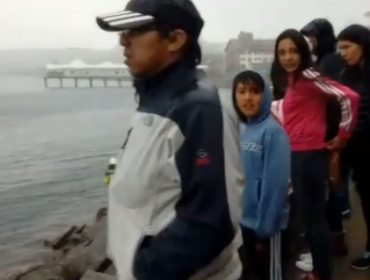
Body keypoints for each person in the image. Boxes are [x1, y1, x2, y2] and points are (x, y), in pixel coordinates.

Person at [96, 0, 245, 279]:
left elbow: (215, 219)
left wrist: (144, 269)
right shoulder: (159, 101)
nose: (123, 42)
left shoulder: (197, 109)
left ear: (175, 39)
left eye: (134, 31)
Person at [270, 29, 359, 280]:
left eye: (293, 51)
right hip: (298, 155)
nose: (287, 57)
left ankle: (322, 274)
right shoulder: (291, 79)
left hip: (310, 157)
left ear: (303, 52)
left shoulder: (309, 76)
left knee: (315, 220)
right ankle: (321, 271)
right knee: (310, 220)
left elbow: (349, 97)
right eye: (282, 52)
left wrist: (343, 136)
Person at [233, 70, 290, 280]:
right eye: (242, 91)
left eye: (255, 91)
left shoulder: (273, 133)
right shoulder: (240, 130)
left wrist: (265, 226)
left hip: (268, 226)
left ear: (265, 95)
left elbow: (275, 184)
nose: (248, 97)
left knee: (272, 275)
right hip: (244, 223)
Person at [300, 18, 349, 261]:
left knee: (328, 188)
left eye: (313, 37)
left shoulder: (328, 63)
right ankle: (335, 239)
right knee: (332, 186)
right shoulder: (327, 60)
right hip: (331, 131)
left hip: (329, 133)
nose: (310, 42)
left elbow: (327, 98)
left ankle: (331, 244)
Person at [337, 24, 370, 270]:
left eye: (348, 47)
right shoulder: (345, 76)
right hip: (358, 153)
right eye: (340, 48)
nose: (343, 52)